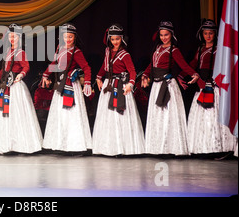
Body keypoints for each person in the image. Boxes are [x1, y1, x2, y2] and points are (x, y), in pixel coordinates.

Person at [179, 19, 237, 155]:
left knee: (213, 117)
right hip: (201, 86)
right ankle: (202, 147)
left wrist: (216, 81)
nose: (208, 36)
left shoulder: (218, 50)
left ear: (215, 34)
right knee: (201, 118)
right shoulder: (200, 49)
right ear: (202, 34)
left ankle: (218, 148)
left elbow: (224, 68)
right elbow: (193, 64)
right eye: (206, 33)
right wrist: (181, 75)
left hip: (213, 87)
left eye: (211, 33)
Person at [141, 21, 199, 156]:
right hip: (156, 85)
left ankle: (170, 147)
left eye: (166, 35)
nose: (163, 38)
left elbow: (184, 65)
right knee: (158, 116)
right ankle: (157, 148)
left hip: (167, 86)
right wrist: (144, 74)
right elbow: (152, 65)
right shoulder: (158, 48)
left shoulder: (174, 50)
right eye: (161, 35)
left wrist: (194, 74)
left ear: (171, 35)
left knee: (168, 116)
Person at [0, 24, 43, 154]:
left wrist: (20, 75)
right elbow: (4, 69)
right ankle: (7, 143)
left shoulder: (20, 52)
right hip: (6, 85)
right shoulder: (8, 52)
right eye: (10, 36)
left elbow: (26, 67)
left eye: (15, 36)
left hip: (16, 86)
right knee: (5, 113)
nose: (12, 39)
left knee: (18, 113)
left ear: (19, 38)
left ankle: (20, 144)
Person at [92, 24, 145, 156]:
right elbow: (105, 67)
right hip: (108, 84)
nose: (115, 42)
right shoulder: (108, 51)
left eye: (117, 39)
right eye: (112, 39)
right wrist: (98, 78)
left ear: (122, 39)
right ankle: (107, 147)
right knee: (107, 115)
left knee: (119, 115)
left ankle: (122, 147)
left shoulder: (124, 54)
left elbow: (132, 71)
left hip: (121, 86)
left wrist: (130, 84)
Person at [40, 23, 93, 153]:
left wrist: (87, 82)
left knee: (71, 114)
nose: (68, 39)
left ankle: (75, 145)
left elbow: (86, 67)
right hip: (60, 85)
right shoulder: (60, 49)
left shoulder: (76, 51)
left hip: (70, 86)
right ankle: (62, 144)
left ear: (74, 37)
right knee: (61, 114)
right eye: (66, 36)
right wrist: (46, 74)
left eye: (70, 37)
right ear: (61, 37)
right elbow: (55, 64)